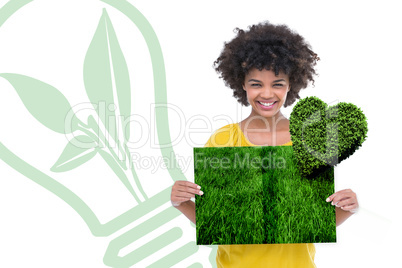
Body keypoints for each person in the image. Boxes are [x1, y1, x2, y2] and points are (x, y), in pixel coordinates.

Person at [171, 21, 359, 267]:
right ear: (242, 84)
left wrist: (349, 208)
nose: (267, 94)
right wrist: (181, 203)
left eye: (277, 84)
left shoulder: (310, 140)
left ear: (291, 84)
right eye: (256, 84)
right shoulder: (222, 140)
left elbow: (310, 222)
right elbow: (217, 222)